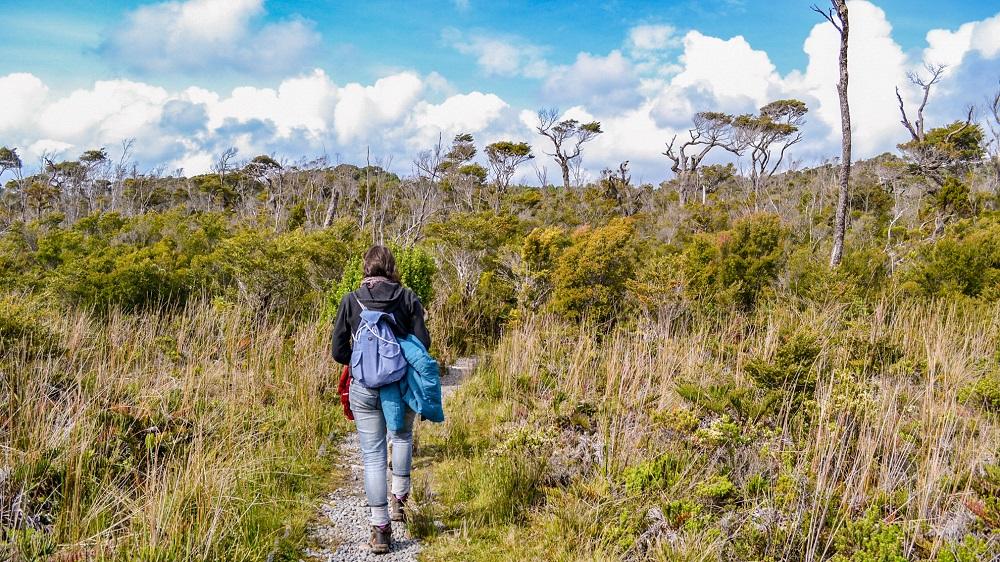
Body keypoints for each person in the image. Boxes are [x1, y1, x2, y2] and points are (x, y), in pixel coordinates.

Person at [331, 245, 431, 554]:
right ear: (391, 268)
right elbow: (422, 343)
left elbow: (338, 350)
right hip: (400, 385)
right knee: (401, 436)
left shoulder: (351, 300)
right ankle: (399, 501)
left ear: (366, 269)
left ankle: (380, 530)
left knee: (372, 456)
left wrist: (362, 366)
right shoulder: (408, 298)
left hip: (364, 387)